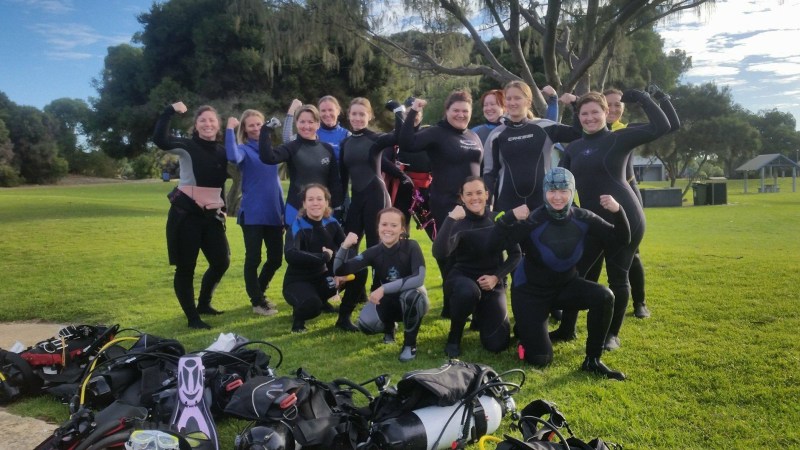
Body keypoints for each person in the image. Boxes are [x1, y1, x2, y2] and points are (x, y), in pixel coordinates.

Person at [552, 90, 670, 351]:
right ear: (579, 117)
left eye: (596, 112)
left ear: (607, 113)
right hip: (593, 222)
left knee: (618, 277)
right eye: (585, 113)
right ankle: (567, 328)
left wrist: (644, 98)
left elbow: (662, 126)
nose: (590, 117)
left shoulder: (618, 139)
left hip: (624, 218)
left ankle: (611, 335)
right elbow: (563, 185)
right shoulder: (574, 148)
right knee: (578, 275)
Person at [493, 168, 629, 380]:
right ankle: (528, 332)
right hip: (530, 293)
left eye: (564, 191)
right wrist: (509, 217)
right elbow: (496, 244)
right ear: (545, 192)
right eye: (552, 191)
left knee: (604, 296)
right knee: (540, 358)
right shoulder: (533, 220)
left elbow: (621, 239)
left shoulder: (584, 218)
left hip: (565, 287)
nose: (558, 197)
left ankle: (592, 361)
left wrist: (618, 210)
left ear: (572, 192)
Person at [581, 86, 681, 320]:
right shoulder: (589, 128)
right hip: (596, 200)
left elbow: (671, 125)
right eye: (610, 104)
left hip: (626, 194)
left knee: (630, 253)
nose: (614, 108)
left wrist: (660, 97)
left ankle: (639, 302)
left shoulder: (626, 131)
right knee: (591, 256)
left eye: (618, 104)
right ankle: (588, 299)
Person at [152, 101, 230, 329]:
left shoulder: (222, 151)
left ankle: (204, 303)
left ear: (218, 125)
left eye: (212, 120)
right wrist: (169, 111)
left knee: (221, 261)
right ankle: (192, 317)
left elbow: (220, 182)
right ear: (196, 125)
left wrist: (222, 207)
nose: (208, 124)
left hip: (211, 217)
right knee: (186, 267)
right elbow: (160, 140)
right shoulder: (186, 146)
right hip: (186, 215)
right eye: (203, 120)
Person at [398, 91, 484, 282]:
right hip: (446, 203)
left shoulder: (474, 136)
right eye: (456, 110)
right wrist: (413, 113)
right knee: (448, 251)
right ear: (447, 111)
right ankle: (451, 295)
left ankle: (469, 293)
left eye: (465, 111)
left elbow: (482, 170)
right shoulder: (436, 133)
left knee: (474, 250)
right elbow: (406, 143)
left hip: (474, 204)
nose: (461, 115)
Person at [432, 176, 521, 358]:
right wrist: (450, 219)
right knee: (468, 292)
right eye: (469, 194)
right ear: (462, 198)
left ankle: (480, 315)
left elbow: (516, 254)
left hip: (492, 283)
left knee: (497, 345)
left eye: (479, 192)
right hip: (462, 280)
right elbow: (440, 253)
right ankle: (454, 336)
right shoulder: (458, 222)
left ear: (487, 195)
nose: (475, 198)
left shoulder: (499, 218)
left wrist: (496, 277)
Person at [334, 207, 428, 362]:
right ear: (378, 227)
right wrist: (344, 246)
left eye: (393, 225)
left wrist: (384, 288)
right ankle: (389, 328)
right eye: (384, 224)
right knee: (366, 324)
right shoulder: (374, 251)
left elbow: (419, 279)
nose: (388, 229)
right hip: (387, 299)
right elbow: (339, 270)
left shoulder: (411, 246)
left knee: (412, 297)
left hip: (413, 298)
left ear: (402, 229)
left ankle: (409, 344)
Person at [483, 82, 581, 213]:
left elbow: (577, 133)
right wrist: (486, 206)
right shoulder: (496, 135)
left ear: (528, 102)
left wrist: (576, 103)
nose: (512, 102)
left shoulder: (544, 127)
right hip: (507, 204)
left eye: (517, 98)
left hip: (543, 203)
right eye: (509, 98)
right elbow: (489, 174)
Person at [225, 110, 283, 317]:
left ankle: (259, 292)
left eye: (259, 124)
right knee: (254, 259)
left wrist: (283, 210)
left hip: (274, 213)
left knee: (276, 259)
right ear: (245, 129)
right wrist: (229, 129)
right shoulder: (243, 150)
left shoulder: (271, 151)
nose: (256, 128)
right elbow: (231, 156)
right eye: (251, 125)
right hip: (253, 214)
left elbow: (275, 185)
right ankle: (258, 302)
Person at [282, 184, 358, 333]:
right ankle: (299, 320)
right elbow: (290, 255)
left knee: (359, 270)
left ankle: (344, 319)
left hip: (324, 279)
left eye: (319, 199)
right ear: (304, 204)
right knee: (312, 306)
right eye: (310, 199)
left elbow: (349, 251)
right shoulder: (296, 226)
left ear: (326, 202)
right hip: (297, 281)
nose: (315, 203)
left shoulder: (332, 223)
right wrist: (323, 257)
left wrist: (339, 272)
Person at [259, 104, 343, 226]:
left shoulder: (327, 149)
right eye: (302, 122)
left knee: (322, 245)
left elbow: (334, 182)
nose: (306, 126)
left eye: (311, 122)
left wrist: (337, 208)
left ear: (318, 124)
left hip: (321, 211)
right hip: (295, 209)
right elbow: (268, 158)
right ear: (296, 123)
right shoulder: (292, 147)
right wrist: (265, 131)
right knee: (295, 245)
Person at [381, 98, 435, 239]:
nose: (414, 113)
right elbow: (382, 159)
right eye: (410, 111)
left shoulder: (430, 134)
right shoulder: (394, 137)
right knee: (399, 234)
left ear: (421, 114)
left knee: (436, 232)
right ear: (404, 115)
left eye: (417, 110)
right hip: (402, 190)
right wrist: (400, 175)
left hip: (425, 191)